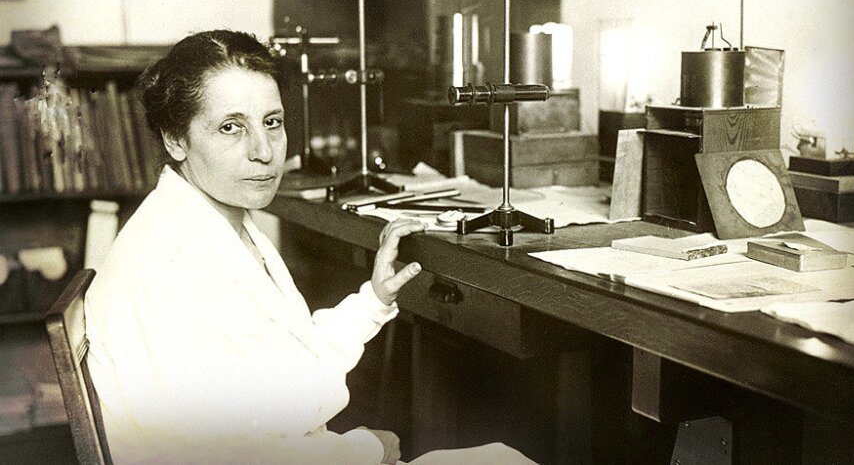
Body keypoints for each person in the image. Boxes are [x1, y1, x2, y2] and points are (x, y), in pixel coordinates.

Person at [85, 30, 536, 464]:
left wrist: (374, 300)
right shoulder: (172, 264)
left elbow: (282, 373)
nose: (264, 151)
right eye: (230, 128)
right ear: (175, 139)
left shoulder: (211, 225)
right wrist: (367, 451)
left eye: (272, 123)